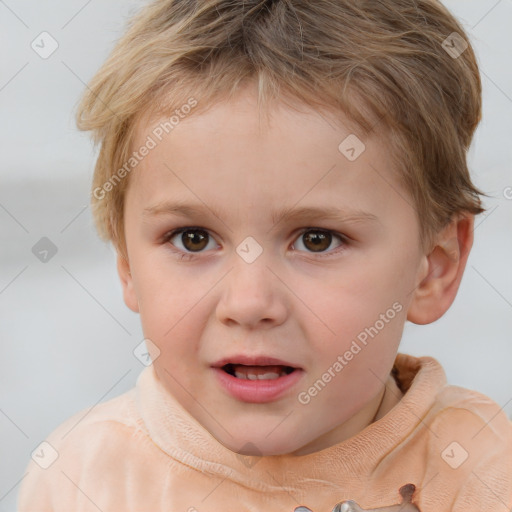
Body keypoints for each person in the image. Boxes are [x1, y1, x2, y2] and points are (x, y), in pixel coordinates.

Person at [17, 0, 512, 511]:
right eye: (193, 239)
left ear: (434, 266)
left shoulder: (484, 474)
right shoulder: (82, 480)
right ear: (127, 264)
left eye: (317, 240)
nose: (249, 303)